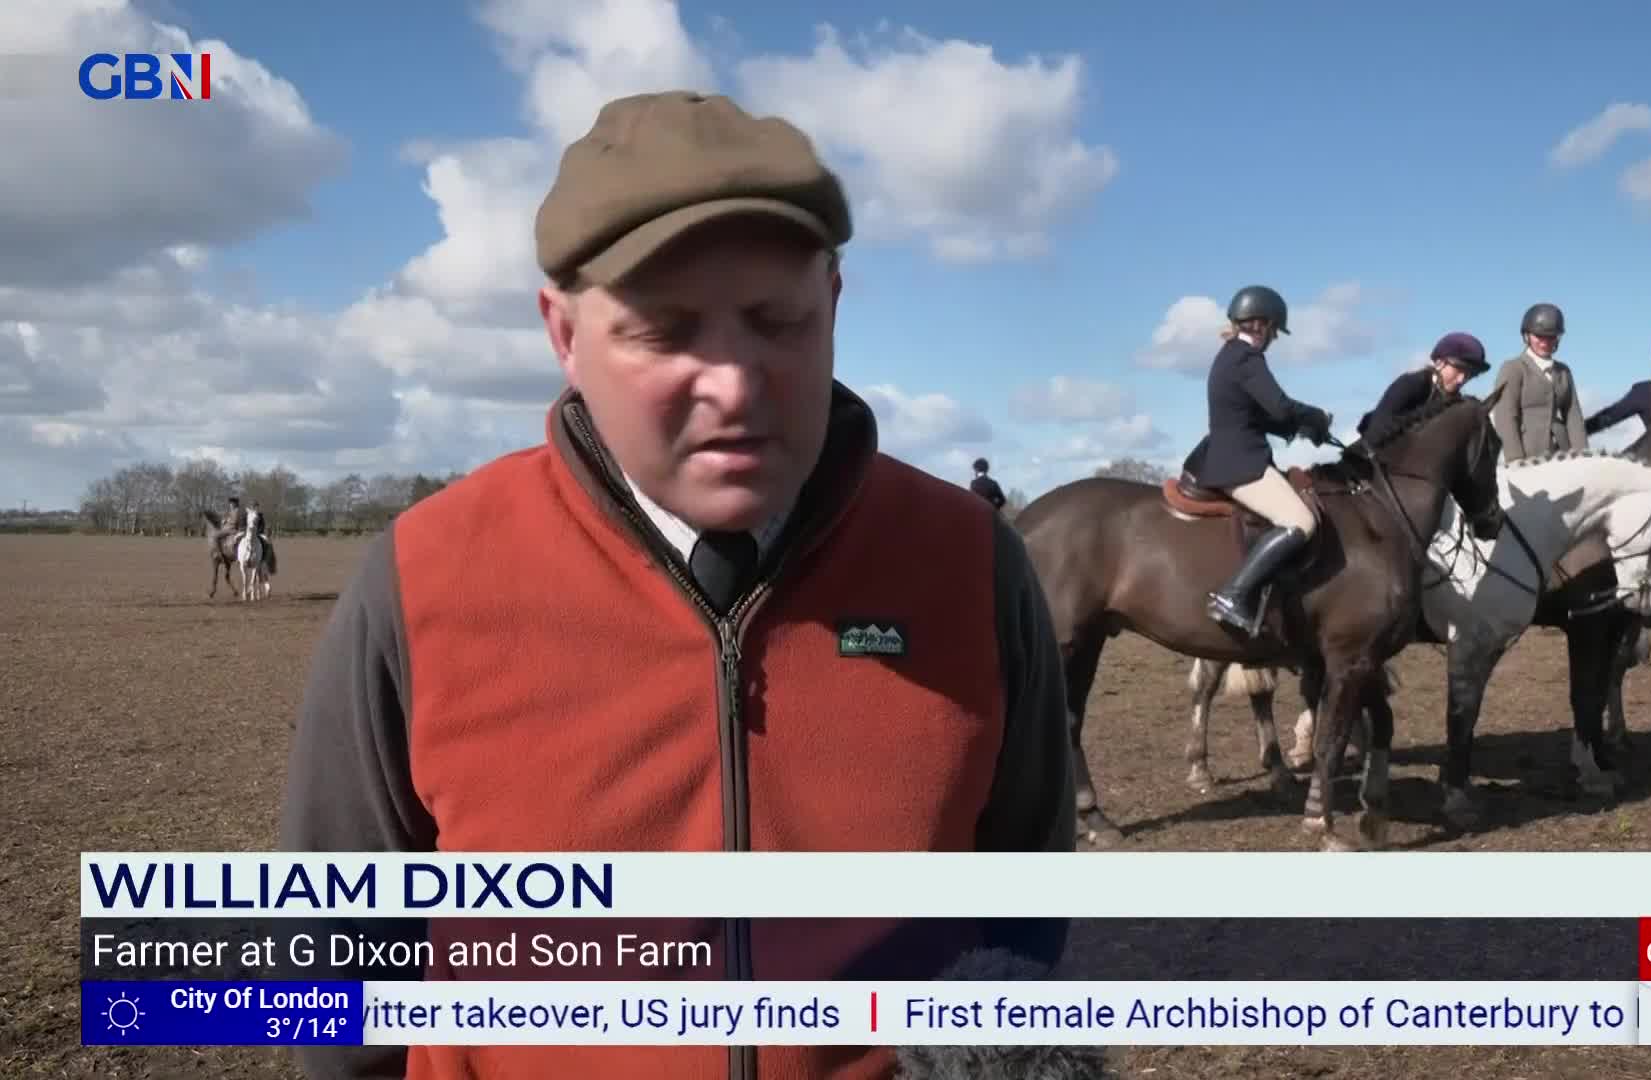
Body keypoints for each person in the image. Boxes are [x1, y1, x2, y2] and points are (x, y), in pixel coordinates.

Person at [279, 90, 1077, 1080]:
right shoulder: (423, 576)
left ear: (833, 303)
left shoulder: (970, 563)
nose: (734, 386)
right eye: (664, 331)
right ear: (563, 334)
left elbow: (1021, 915)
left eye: (778, 321)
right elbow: (341, 976)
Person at [1186, 284, 1336, 635]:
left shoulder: (1231, 355)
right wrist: (1315, 416)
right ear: (1263, 325)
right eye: (1274, 331)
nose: (1273, 339)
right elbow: (1279, 406)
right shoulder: (1246, 358)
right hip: (1240, 463)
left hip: (1229, 455)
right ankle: (1232, 596)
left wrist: (1302, 429)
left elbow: (1259, 415)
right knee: (1300, 521)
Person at [1488, 302, 1588, 462]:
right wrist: (1515, 459)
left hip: (1563, 454)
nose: (1544, 342)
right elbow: (1505, 417)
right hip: (1528, 455)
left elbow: (1573, 416)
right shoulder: (1513, 368)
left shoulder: (1563, 371)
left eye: (1551, 337)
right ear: (1526, 335)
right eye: (1539, 336)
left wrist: (1583, 457)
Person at [1357, 331, 1489, 442]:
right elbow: (1376, 431)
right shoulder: (1410, 384)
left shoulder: (1455, 402)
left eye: (1470, 374)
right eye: (1458, 370)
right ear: (1440, 363)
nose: (1462, 380)